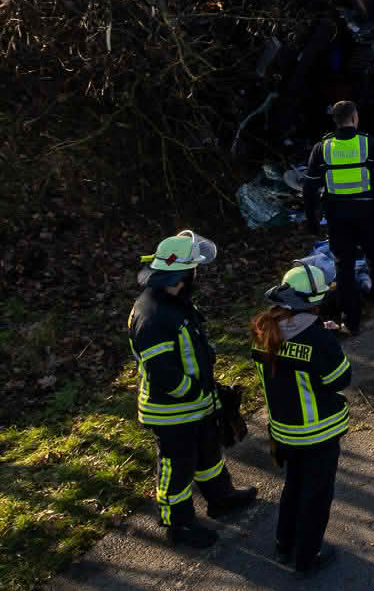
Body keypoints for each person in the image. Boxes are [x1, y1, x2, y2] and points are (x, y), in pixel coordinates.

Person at [128, 231, 257, 548]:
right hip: (173, 412)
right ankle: (179, 524)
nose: (199, 274)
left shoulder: (173, 301)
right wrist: (196, 391)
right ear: (184, 274)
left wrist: (208, 391)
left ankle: (221, 498)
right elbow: (164, 376)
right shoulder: (153, 316)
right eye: (195, 269)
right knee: (177, 470)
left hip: (196, 405)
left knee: (208, 455)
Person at [251, 264, 351, 575]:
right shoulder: (319, 340)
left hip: (283, 433)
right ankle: (308, 557)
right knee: (317, 496)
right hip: (318, 435)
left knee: (293, 487)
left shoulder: (263, 332)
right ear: (313, 301)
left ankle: (284, 544)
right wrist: (331, 341)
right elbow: (340, 379)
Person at [303, 100, 374, 332]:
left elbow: (309, 188)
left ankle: (352, 321)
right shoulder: (368, 144)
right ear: (355, 118)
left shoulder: (322, 148)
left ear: (336, 120)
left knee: (344, 268)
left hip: (338, 218)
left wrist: (312, 220)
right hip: (367, 214)